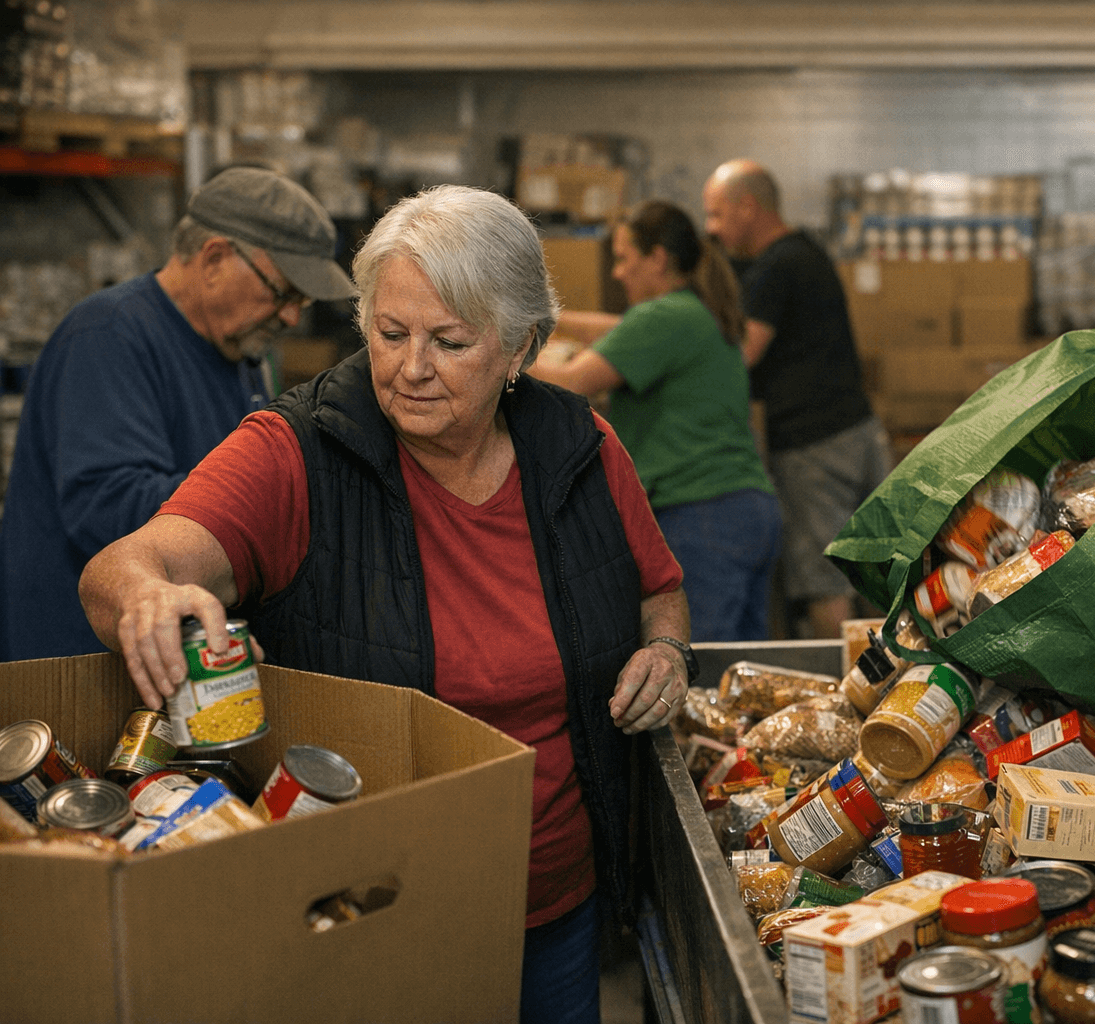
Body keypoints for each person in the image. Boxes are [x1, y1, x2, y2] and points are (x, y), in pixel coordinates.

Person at [78, 185, 692, 1024]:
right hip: (369, 910)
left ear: (522, 349)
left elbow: (660, 588)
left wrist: (666, 653)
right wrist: (147, 596)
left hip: (555, 904)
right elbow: (126, 563)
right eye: (389, 332)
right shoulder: (296, 453)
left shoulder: (581, 449)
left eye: (450, 341)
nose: (410, 368)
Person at [0, 166, 355, 661]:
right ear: (213, 258)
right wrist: (272, 503)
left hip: (171, 660)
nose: (292, 317)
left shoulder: (239, 349)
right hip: (80, 666)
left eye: (303, 300)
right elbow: (109, 507)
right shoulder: (107, 336)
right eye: (282, 292)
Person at [529, 200, 781, 642]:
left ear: (658, 259)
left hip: (700, 512)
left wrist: (489, 349)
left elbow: (570, 383)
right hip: (744, 510)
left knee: (696, 668)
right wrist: (547, 319)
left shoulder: (663, 316)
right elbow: (617, 328)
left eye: (624, 259)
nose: (617, 273)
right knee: (739, 675)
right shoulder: (695, 312)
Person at [703, 159, 890, 638]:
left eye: (717, 215)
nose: (712, 229)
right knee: (881, 570)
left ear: (748, 206)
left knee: (823, 581)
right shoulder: (807, 251)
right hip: (857, 429)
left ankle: (842, 700)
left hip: (814, 447)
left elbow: (741, 354)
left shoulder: (775, 267)